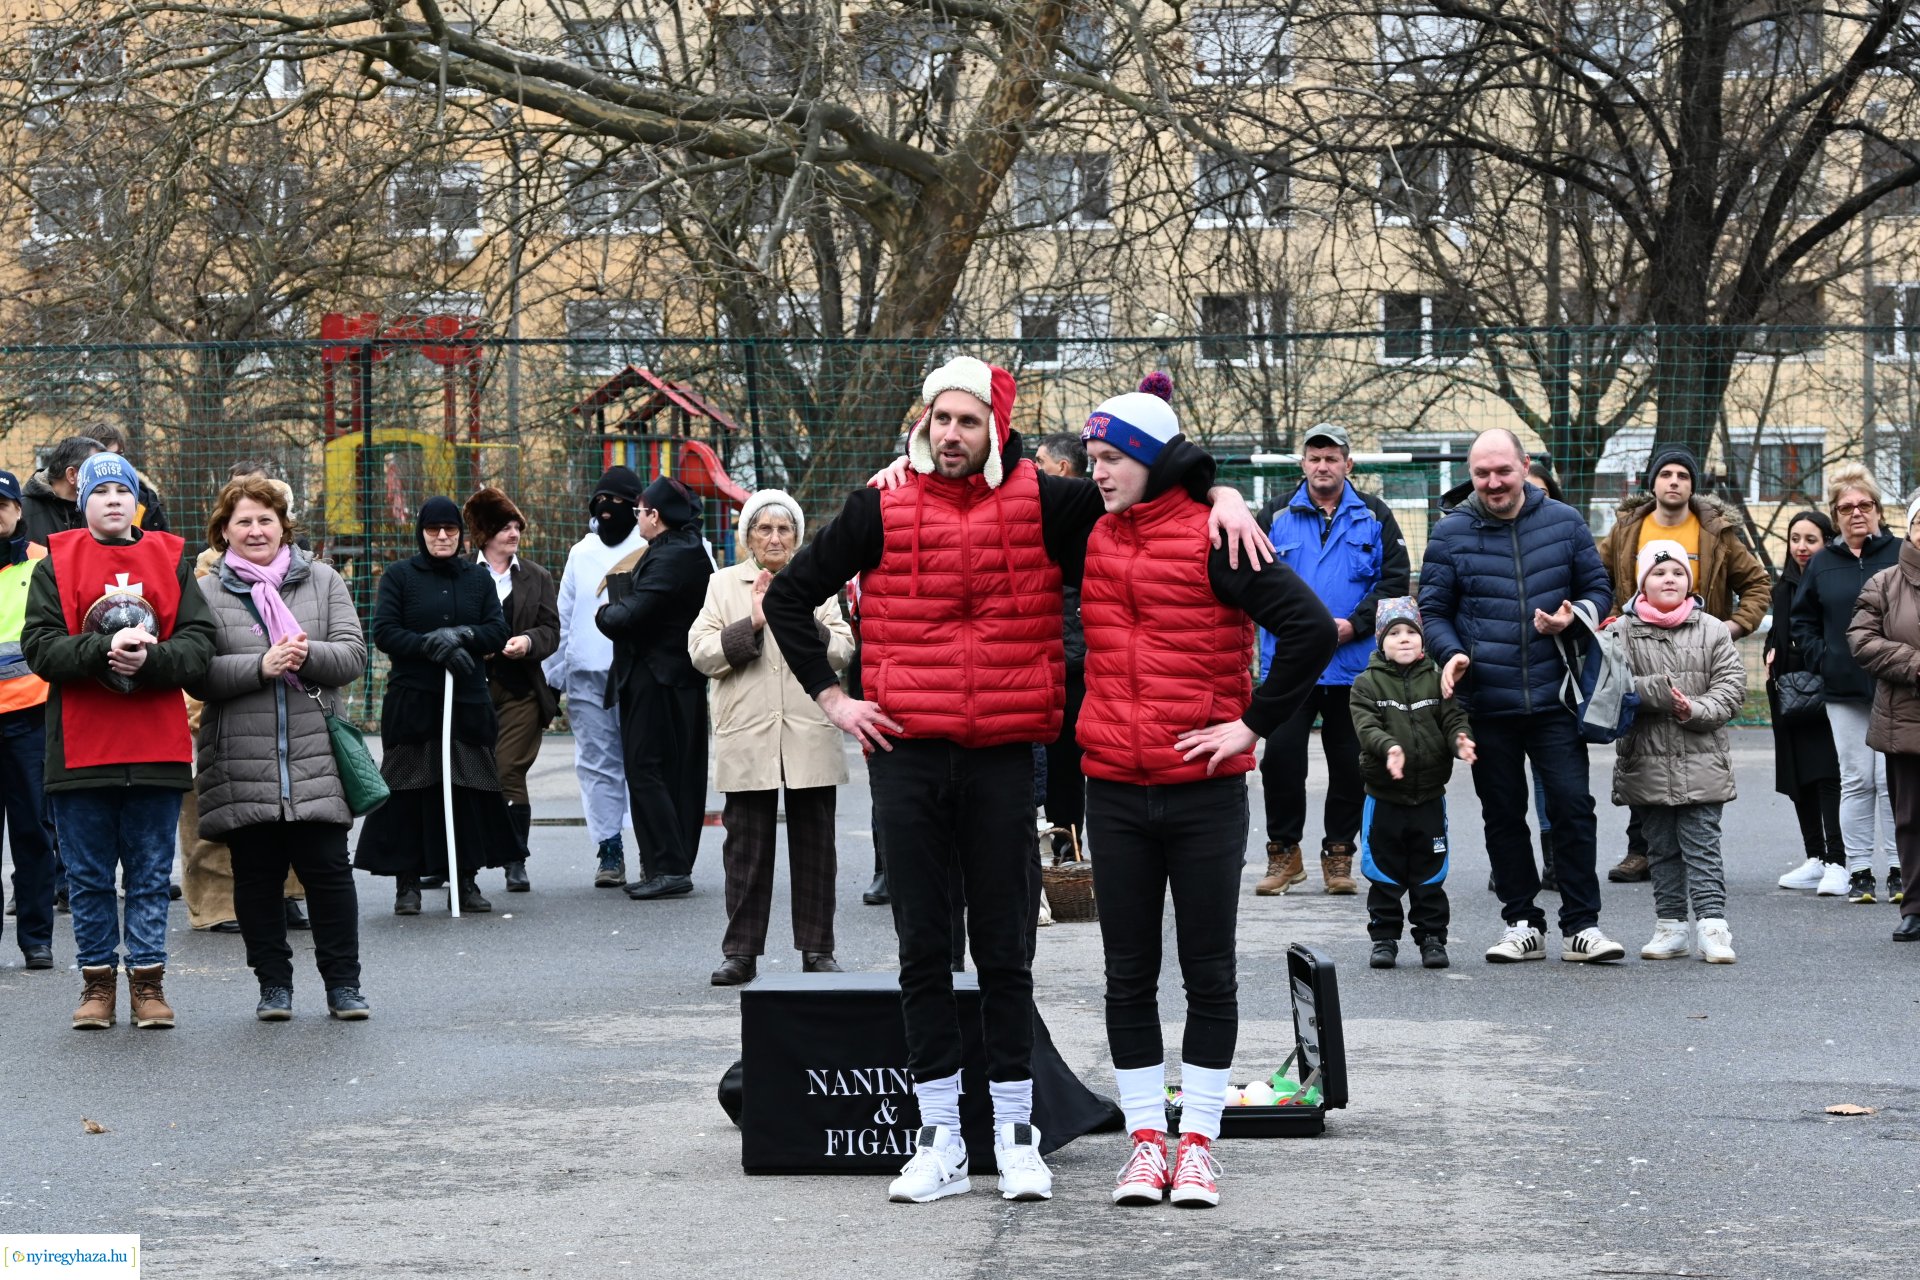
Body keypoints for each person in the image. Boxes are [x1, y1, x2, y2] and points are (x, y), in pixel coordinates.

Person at [764, 356, 1269, 1205]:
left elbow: (1146, 491)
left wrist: (1222, 494)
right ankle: (937, 1141)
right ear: (921, 423)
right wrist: (835, 701)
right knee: (925, 947)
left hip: (1005, 752)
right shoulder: (877, 505)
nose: (951, 435)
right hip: (908, 753)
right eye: (939, 420)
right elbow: (791, 597)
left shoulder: (1048, 501)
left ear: (995, 428)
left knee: (1007, 951)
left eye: (968, 421)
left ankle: (1014, 1132)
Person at [1074, 384, 1335, 1210]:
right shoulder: (1088, 525)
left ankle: (1200, 1147)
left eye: (1112, 460)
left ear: (1151, 462)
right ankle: (1146, 1142)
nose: (1097, 473)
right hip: (1113, 787)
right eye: (1092, 459)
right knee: (1126, 973)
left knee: (1208, 972)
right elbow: (988, 483)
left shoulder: (1222, 539)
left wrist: (1251, 725)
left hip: (1205, 795)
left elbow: (1310, 629)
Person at [21, 451, 214, 1028]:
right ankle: (97, 986)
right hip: (83, 751)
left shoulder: (173, 558)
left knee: (153, 875)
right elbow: (41, 646)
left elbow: (201, 645)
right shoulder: (55, 562)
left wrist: (153, 657)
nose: (112, 499)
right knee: (88, 877)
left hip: (155, 746)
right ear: (83, 504)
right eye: (100, 492)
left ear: (138, 502)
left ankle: (149, 985)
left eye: (122, 491)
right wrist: (102, 650)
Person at [1419, 428, 1626, 964]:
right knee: (1503, 814)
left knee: (1573, 808)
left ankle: (1583, 926)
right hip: (1486, 701)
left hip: (1555, 698)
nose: (1492, 483)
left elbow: (1599, 588)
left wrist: (1572, 617)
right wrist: (1452, 654)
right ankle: (1521, 922)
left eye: (1502, 471)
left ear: (1524, 466)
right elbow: (1434, 611)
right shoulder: (1450, 533)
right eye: (1482, 474)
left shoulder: (1564, 521)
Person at [190, 477, 371, 1019]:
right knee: (258, 879)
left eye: (265, 519)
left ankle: (344, 987)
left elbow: (353, 656)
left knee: (329, 874)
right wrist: (258, 665)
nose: (255, 530)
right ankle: (274, 987)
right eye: (242, 521)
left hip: (316, 756)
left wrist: (304, 652)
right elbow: (197, 673)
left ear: (283, 526)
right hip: (242, 761)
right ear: (224, 532)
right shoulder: (205, 591)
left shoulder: (323, 580)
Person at [689, 489, 854, 984]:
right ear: (748, 537)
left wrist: (798, 616)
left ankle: (817, 950)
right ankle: (741, 952)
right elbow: (701, 652)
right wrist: (754, 622)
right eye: (765, 528)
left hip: (808, 731)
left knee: (816, 848)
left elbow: (844, 649)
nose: (775, 537)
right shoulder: (722, 585)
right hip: (747, 731)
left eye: (785, 529)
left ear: (798, 537)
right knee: (746, 849)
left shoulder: (818, 585)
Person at [1251, 422, 1410, 896]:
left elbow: (1395, 582)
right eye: (1315, 458)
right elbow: (1251, 580)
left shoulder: (1375, 516)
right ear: (1303, 464)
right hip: (1289, 664)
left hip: (1353, 667)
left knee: (1351, 764)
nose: (1323, 466)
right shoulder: (1275, 514)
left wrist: (1353, 625)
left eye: (1332, 458)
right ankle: (1284, 854)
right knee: (1279, 760)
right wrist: (1297, 629)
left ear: (1348, 464)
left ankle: (1339, 854)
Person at [1599, 446, 1770, 882]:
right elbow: (1596, 576)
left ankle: (1697, 850)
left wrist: (1731, 628)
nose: (1674, 481)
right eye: (1666, 474)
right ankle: (1643, 850)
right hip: (1640, 648)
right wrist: (1605, 621)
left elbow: (1756, 583)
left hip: (1698, 658)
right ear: (1652, 482)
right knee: (1643, 749)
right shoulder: (1626, 529)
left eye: (1683, 476)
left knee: (1697, 755)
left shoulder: (1716, 531)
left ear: (1693, 486)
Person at [353, 497, 515, 913]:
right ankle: (407, 883)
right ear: (421, 532)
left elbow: (497, 630)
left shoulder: (477, 580)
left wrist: (461, 636)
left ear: (461, 534)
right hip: (414, 699)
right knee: (410, 789)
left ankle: (465, 880)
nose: (441, 537)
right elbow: (385, 632)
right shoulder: (400, 576)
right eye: (432, 529)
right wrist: (430, 645)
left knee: (468, 787)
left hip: (466, 700)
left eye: (450, 529)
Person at [1612, 542, 1746, 963]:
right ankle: (1670, 926)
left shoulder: (1713, 629)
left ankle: (1712, 926)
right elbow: (1610, 688)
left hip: (1702, 758)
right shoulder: (1620, 630)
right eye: (1658, 572)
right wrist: (1660, 693)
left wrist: (1696, 708)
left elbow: (1731, 686)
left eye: (1677, 572)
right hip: (1645, 759)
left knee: (1702, 844)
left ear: (1690, 581)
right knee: (1661, 848)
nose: (1668, 578)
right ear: (1641, 583)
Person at [596, 476, 715, 901]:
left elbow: (629, 615)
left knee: (648, 769)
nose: (636, 520)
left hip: (659, 677)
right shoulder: (678, 550)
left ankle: (668, 864)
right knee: (666, 770)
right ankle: (665, 862)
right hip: (663, 677)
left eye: (639, 512)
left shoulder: (674, 556)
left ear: (655, 517)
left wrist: (606, 614)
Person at [1791, 463, 1901, 905]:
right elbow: (1802, 621)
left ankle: (1900, 868)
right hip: (1842, 690)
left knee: (1893, 779)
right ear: (1834, 516)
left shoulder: (1899, 553)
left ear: (1877, 509)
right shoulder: (1822, 563)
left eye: (1864, 505)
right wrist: (1827, 660)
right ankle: (1859, 870)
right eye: (1846, 508)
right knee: (1856, 779)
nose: (1857, 513)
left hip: (1896, 685)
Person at [1349, 597, 1474, 971]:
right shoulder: (1365, 684)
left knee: (1429, 873)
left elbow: (1453, 719)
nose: (1404, 639)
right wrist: (1389, 749)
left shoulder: (1439, 679)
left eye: (1411, 632)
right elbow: (1366, 727)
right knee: (1384, 874)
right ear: (1380, 642)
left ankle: (1432, 938)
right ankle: (1384, 939)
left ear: (1422, 641)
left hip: (1429, 797)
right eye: (1395, 633)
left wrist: (1461, 740)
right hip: (1384, 797)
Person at [543, 466, 646, 887]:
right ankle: (609, 848)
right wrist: (555, 673)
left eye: (620, 503)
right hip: (588, 676)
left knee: (643, 763)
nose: (609, 511)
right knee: (598, 765)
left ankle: (656, 849)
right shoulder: (580, 554)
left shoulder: (653, 546)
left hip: (641, 674)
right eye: (601, 503)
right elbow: (562, 616)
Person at [465, 487, 560, 894]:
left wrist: (528, 643)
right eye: (503, 527)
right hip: (471, 690)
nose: (513, 533)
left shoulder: (536, 576)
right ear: (483, 534)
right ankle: (457, 861)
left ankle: (514, 859)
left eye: (516, 525)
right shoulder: (464, 574)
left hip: (522, 690)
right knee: (465, 774)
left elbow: (552, 630)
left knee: (508, 771)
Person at [1846, 491, 1920, 941]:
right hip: (1905, 720)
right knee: (1911, 818)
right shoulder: (1884, 583)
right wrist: (1915, 664)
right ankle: (1915, 906)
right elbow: (1861, 640)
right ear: (1910, 528)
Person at [1768, 510, 1848, 896]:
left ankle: (1838, 859)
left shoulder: (1831, 582)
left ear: (1827, 541)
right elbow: (1782, 633)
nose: (1801, 547)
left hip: (1824, 687)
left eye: (1810, 539)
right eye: (1795, 538)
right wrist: (1772, 650)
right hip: (1788, 691)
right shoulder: (1783, 587)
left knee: (1827, 774)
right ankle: (1815, 856)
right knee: (1798, 774)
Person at [1, 469, 58, 970]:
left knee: (34, 834)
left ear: (18, 510)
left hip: (29, 716)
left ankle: (36, 938)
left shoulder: (43, 563)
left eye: (1, 504)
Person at [1033, 430, 1090, 861]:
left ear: (1062, 469)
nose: (1033, 471)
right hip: (1049, 661)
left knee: (1066, 766)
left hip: (1069, 665)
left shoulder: (1076, 513)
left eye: (1040, 462)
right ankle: (1054, 849)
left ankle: (1068, 851)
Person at [19, 436, 103, 547]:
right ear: (71, 474)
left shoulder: (100, 509)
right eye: (96, 470)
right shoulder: (20, 513)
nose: (105, 478)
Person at [86, 423, 169, 533]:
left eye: (117, 456)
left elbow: (161, 546)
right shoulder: (71, 502)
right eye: (102, 458)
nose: (110, 465)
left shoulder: (145, 501)